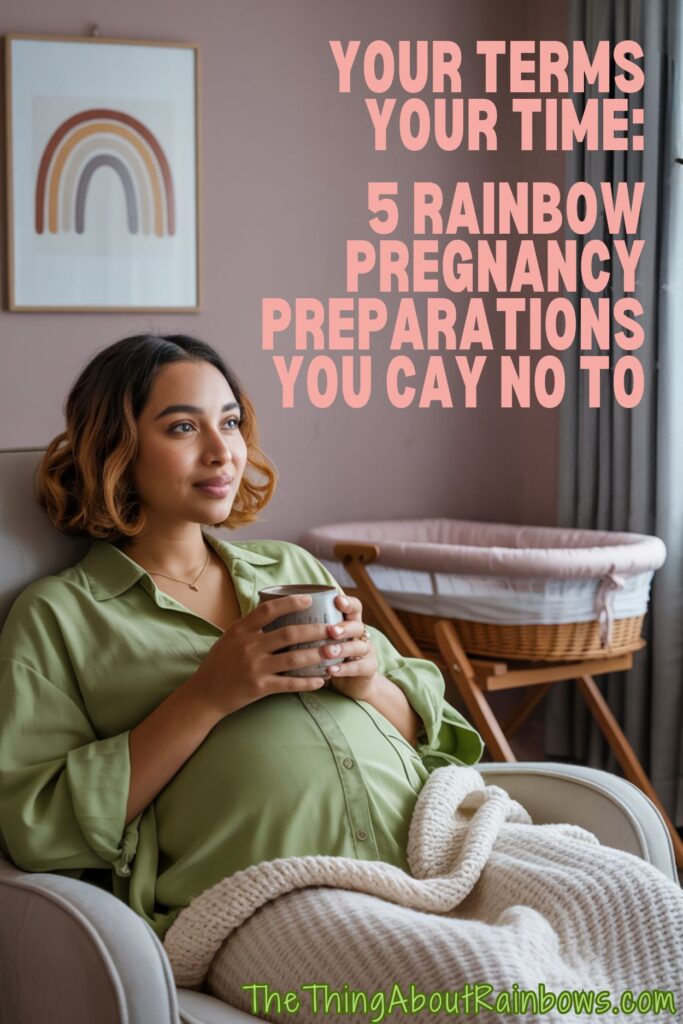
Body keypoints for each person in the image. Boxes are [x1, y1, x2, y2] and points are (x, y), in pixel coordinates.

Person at [0, 333, 484, 941]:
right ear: (115, 450)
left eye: (228, 423)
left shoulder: (291, 568)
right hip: (269, 908)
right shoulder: (59, 616)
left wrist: (369, 682)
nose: (221, 452)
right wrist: (207, 696)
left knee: (631, 902)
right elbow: (37, 821)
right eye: (182, 428)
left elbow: (433, 733)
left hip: (438, 853)